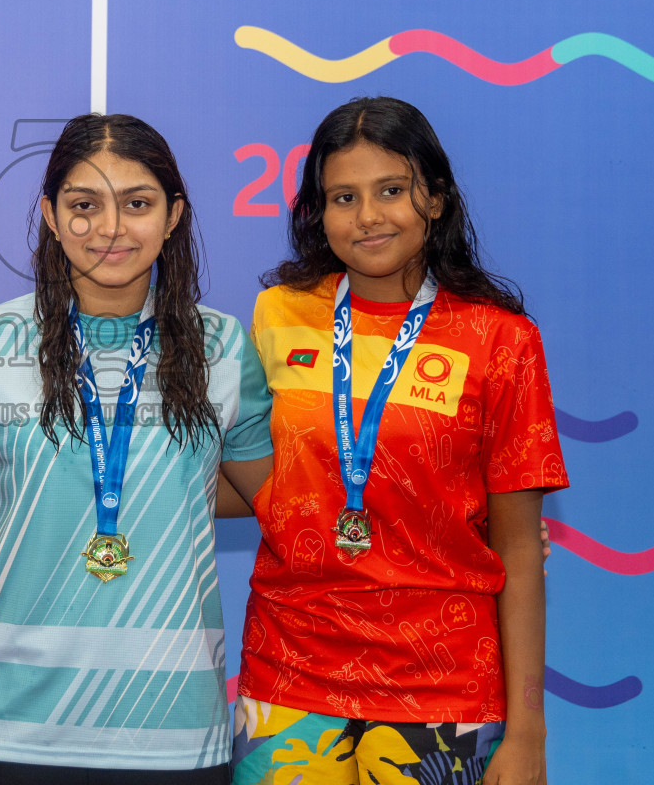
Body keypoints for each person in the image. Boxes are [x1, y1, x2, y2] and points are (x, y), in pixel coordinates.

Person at [0, 113, 275, 784]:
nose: (110, 228)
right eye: (84, 206)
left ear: (174, 215)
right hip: (3, 727)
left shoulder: (224, 348)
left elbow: (280, 505)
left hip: (171, 728)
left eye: (137, 204)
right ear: (50, 216)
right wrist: (27, 556)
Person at [229, 97, 568, 785]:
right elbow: (259, 477)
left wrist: (528, 728)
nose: (368, 217)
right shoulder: (278, 314)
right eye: (343, 197)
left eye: (392, 190)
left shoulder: (502, 340)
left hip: (443, 684)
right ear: (317, 213)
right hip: (290, 673)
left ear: (436, 199)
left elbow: (520, 551)